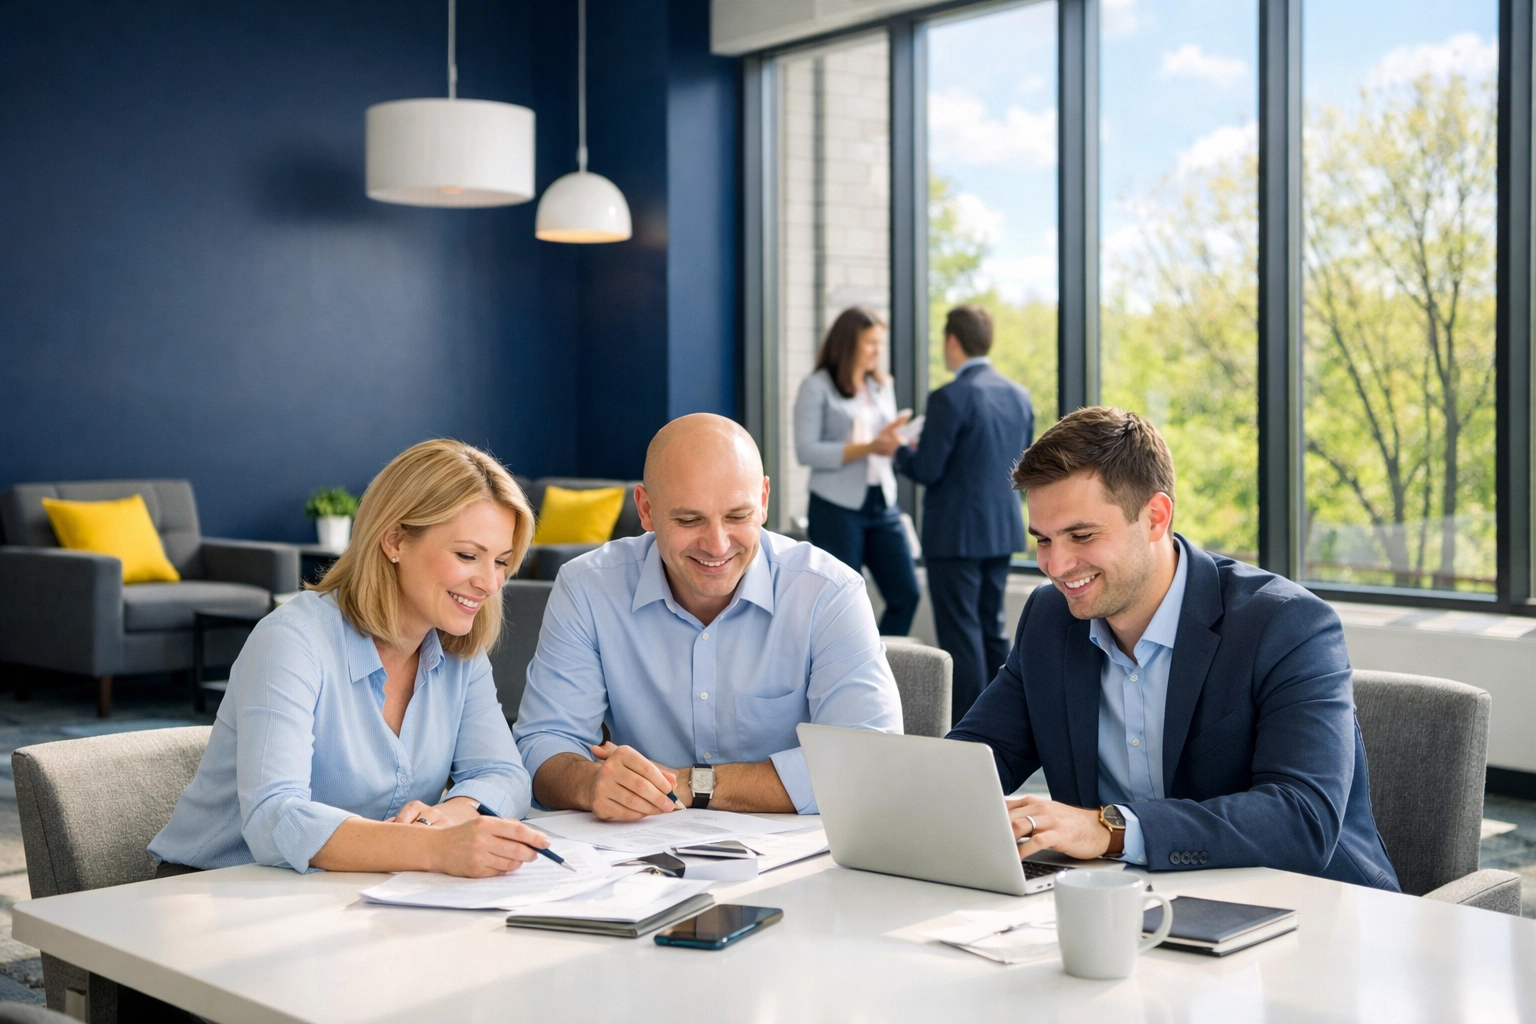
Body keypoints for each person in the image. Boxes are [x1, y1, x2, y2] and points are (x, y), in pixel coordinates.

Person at [949, 407, 1400, 889]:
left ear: (1155, 518)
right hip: (1128, 907)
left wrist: (1109, 829)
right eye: (1043, 540)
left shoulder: (1287, 624)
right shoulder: (1050, 619)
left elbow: (1302, 819)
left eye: (1081, 535)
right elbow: (979, 758)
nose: (1056, 565)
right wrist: (914, 797)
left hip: (1308, 911)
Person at [150, 440, 551, 877]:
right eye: (468, 556)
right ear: (394, 539)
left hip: (336, 892)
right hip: (215, 892)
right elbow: (274, 818)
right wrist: (432, 847)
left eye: (502, 562)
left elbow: (506, 775)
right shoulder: (292, 638)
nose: (489, 583)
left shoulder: (459, 648)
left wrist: (455, 813)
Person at [513, 413, 903, 819]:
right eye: (688, 519)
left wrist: (690, 783)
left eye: (737, 516)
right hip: (642, 858)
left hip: (798, 860)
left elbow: (869, 762)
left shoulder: (827, 593)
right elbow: (543, 741)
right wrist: (590, 782)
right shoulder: (588, 588)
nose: (717, 545)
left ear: (764, 500)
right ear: (646, 510)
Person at [893, 305, 1034, 721]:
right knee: (992, 628)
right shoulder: (1018, 395)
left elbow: (927, 469)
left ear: (952, 341)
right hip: (1002, 528)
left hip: (955, 533)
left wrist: (897, 451)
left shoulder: (949, 397)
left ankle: (974, 728)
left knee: (961, 632)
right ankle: (1009, 720)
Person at [792, 307, 920, 637]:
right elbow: (806, 451)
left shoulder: (881, 385)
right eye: (871, 343)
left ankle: (886, 669)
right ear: (848, 344)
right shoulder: (816, 386)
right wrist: (868, 448)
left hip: (882, 501)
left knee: (906, 594)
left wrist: (900, 443)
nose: (879, 351)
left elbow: (882, 441)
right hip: (836, 507)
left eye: (880, 343)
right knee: (841, 602)